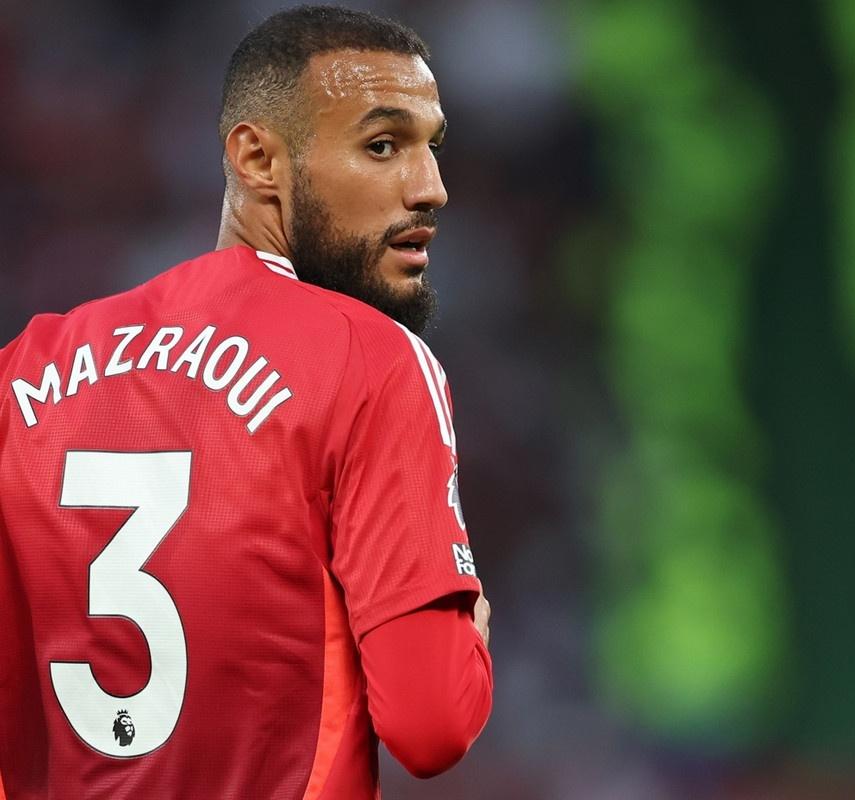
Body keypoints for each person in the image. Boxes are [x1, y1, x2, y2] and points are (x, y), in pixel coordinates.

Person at [0, 6, 492, 799]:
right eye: (382, 146)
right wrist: (463, 638)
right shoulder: (369, 359)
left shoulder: (26, 370)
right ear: (258, 159)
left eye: (431, 147)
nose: (429, 189)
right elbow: (431, 723)